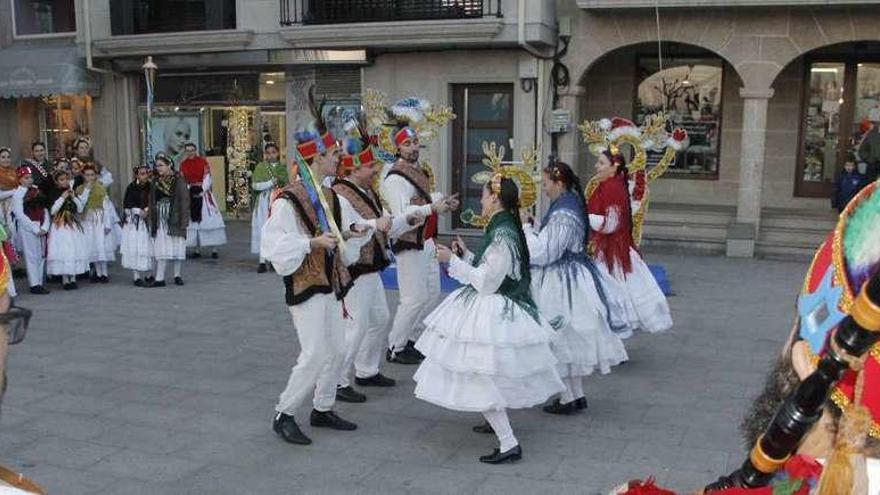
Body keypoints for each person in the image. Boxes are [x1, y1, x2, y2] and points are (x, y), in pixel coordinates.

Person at [414, 176, 564, 464]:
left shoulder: (503, 233)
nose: (480, 201)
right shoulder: (502, 227)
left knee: (478, 374)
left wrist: (451, 261)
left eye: (483, 196)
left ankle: (508, 442)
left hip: (492, 309)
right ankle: (493, 422)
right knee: (484, 372)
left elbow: (487, 283)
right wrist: (467, 255)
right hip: (490, 306)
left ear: (495, 198)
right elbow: (492, 269)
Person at [261, 96, 369, 446]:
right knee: (315, 353)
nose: (340, 157)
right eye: (333, 153)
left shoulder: (332, 197)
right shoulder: (287, 199)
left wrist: (352, 233)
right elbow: (273, 245)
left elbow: (343, 233)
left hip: (330, 282)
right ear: (315, 158)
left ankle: (322, 408)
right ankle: (285, 413)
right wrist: (311, 244)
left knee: (337, 348)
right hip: (306, 283)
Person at [522, 160, 628, 415]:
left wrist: (526, 228)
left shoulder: (563, 211)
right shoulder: (568, 203)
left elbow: (546, 252)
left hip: (561, 281)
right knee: (568, 337)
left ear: (559, 183)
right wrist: (537, 225)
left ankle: (568, 397)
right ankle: (575, 395)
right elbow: (556, 237)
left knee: (558, 336)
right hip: (572, 276)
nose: (543, 189)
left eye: (546, 184)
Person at [332, 140, 415, 402]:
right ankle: (338, 381)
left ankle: (366, 371)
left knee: (379, 319)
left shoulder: (365, 190)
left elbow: (382, 223)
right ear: (354, 169)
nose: (375, 171)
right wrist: (375, 223)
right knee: (355, 327)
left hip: (372, 266)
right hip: (356, 269)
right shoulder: (340, 193)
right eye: (370, 166)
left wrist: (411, 217)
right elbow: (348, 226)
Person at [381, 126, 458, 364]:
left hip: (426, 240)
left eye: (415, 142)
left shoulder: (418, 171)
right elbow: (403, 214)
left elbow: (423, 202)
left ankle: (410, 339)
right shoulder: (395, 178)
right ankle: (395, 346)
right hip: (409, 243)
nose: (413, 147)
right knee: (412, 298)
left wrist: (441, 202)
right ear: (397, 147)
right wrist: (432, 207)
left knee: (432, 294)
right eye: (407, 143)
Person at [587, 148, 672, 336]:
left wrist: (585, 217)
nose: (596, 166)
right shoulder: (610, 185)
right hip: (609, 249)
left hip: (612, 252)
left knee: (611, 295)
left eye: (601, 163)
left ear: (614, 167)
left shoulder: (612, 187)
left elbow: (611, 224)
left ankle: (614, 339)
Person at [148, 153, 189, 287]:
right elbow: (152, 200)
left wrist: (184, 220)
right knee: (161, 247)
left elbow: (184, 200)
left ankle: (177, 275)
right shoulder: (155, 181)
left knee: (177, 246)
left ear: (169, 165)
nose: (158, 168)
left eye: (161, 165)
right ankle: (160, 278)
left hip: (174, 217)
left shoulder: (178, 180)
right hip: (161, 218)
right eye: (157, 165)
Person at [179, 143, 226, 259]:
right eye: (188, 150)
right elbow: (182, 180)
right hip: (190, 195)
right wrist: (188, 190)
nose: (190, 152)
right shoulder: (183, 165)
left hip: (203, 195)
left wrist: (202, 190)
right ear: (185, 151)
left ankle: (214, 249)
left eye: (192, 150)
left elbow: (207, 177)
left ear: (196, 150)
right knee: (193, 223)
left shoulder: (202, 162)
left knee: (209, 220)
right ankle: (196, 249)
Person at [46, 169, 89, 290]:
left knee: (73, 249)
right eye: (61, 180)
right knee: (64, 250)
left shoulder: (72, 192)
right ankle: (65, 278)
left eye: (66, 179)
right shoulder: (54, 193)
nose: (64, 182)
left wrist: (74, 197)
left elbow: (80, 209)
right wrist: (62, 198)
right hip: (60, 226)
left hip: (72, 225)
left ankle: (73, 277)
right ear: (56, 182)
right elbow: (53, 211)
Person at [11, 167, 49, 295]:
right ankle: (34, 283)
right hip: (28, 228)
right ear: (20, 179)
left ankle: (39, 281)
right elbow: (20, 214)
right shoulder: (18, 194)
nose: (29, 180)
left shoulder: (37, 191)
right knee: (32, 255)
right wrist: (34, 228)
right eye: (26, 178)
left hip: (41, 225)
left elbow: (44, 209)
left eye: (30, 177)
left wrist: (45, 226)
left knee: (41, 255)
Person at [251, 142, 287, 273]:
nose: (271, 155)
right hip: (264, 202)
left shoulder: (282, 168)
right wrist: (270, 183)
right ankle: (262, 261)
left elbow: (286, 184)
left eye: (274, 152)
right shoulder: (261, 167)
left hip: (278, 201)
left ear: (277, 153)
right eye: (269, 153)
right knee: (263, 228)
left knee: (276, 229)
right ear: (265, 155)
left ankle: (274, 260)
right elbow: (255, 185)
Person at [76, 165, 117, 283]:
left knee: (101, 245)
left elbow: (106, 207)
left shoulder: (100, 188)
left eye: (92, 175)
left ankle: (104, 272)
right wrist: (87, 189)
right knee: (92, 245)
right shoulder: (79, 189)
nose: (90, 177)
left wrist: (107, 223)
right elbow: (80, 205)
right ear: (83, 176)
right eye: (87, 175)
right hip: (87, 220)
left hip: (99, 219)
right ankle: (97, 272)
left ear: (96, 176)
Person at [121, 166, 154, 287]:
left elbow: (154, 201)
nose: (144, 176)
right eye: (141, 174)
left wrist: (147, 210)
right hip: (134, 221)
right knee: (134, 247)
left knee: (148, 247)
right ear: (137, 175)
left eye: (146, 174)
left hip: (148, 220)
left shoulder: (151, 186)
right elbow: (127, 204)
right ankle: (136, 275)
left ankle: (149, 273)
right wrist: (137, 211)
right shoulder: (131, 187)